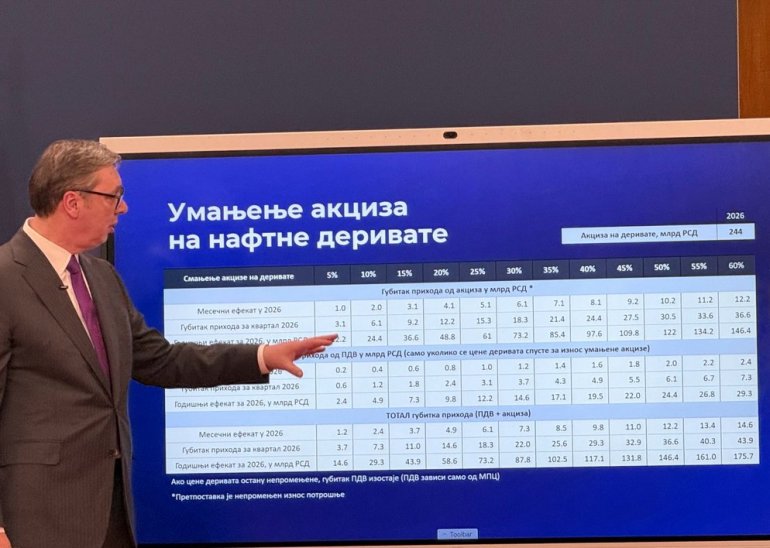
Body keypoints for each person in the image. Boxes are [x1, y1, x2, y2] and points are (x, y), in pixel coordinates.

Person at [0, 140, 336, 548]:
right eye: (114, 196)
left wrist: (263, 356)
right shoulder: (6, 277)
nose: (123, 208)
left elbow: (161, 360)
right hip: (33, 520)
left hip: (110, 513)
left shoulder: (101, 277)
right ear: (73, 202)